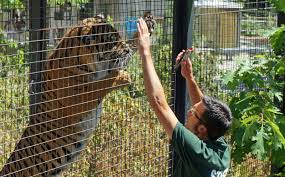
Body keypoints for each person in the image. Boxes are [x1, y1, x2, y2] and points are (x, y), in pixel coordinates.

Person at [136, 18, 232, 177]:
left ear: (202, 129)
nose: (189, 110)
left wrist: (145, 50)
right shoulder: (220, 147)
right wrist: (189, 77)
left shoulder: (198, 153)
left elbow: (159, 103)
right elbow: (202, 107)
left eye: (192, 112)